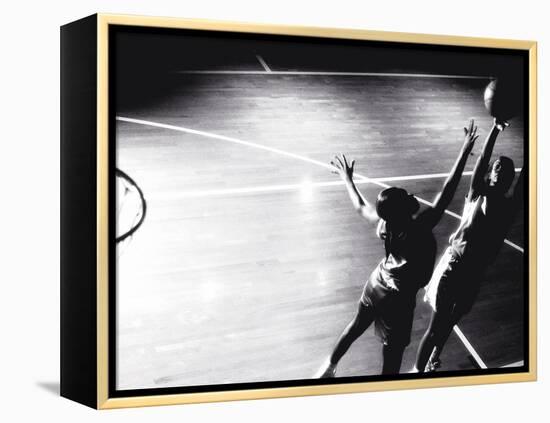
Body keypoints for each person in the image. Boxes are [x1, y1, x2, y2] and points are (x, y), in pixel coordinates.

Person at [315, 120, 480, 377]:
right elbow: (448, 190)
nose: (410, 195)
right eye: (405, 196)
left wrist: (347, 179)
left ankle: (328, 368)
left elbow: (360, 206)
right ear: (404, 210)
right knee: (391, 359)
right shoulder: (420, 227)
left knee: (356, 326)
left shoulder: (385, 224)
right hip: (398, 300)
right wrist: (463, 150)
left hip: (377, 282)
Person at [414, 119, 525, 373]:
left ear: (510, 179)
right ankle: (416, 376)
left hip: (474, 273)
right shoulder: (478, 192)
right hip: (454, 266)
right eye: (497, 166)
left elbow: (525, 181)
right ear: (491, 172)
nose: (501, 169)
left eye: (506, 169)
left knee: (452, 319)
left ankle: (434, 357)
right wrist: (496, 129)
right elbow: (483, 158)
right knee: (435, 327)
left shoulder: (509, 207)